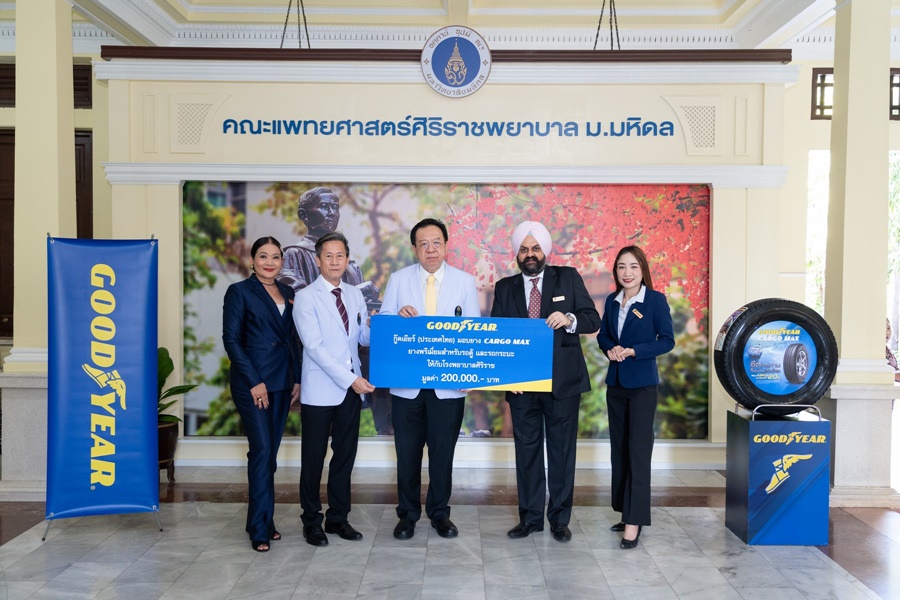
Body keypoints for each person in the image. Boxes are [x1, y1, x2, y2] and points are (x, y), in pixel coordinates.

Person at [490, 221, 601, 543]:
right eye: (524, 249)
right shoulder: (505, 287)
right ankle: (530, 518)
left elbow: (592, 319)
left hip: (563, 384)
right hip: (522, 385)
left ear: (545, 251)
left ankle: (560, 519)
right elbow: (497, 335)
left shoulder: (568, 277)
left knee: (562, 452)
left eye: (535, 248)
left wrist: (569, 319)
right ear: (516, 254)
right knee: (527, 453)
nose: (530, 254)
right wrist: (507, 377)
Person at [379, 217, 480, 540]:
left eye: (436, 242)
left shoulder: (465, 282)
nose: (431, 249)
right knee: (407, 455)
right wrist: (397, 317)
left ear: (446, 245)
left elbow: (473, 331)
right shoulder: (399, 280)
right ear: (414, 249)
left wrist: (469, 373)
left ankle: (439, 514)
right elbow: (383, 324)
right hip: (407, 387)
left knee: (442, 454)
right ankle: (407, 515)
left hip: (449, 387)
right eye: (423, 244)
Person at [278, 186, 391, 435]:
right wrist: (360, 290)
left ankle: (391, 427)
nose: (332, 213)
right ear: (304, 215)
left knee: (387, 356)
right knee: (315, 449)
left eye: (335, 207)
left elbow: (361, 324)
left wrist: (376, 321)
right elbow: (299, 295)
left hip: (353, 355)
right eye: (324, 207)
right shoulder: (294, 255)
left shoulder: (351, 266)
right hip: (315, 356)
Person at [293, 232, 375, 546]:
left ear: (347, 259)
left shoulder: (354, 294)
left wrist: (376, 327)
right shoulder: (306, 297)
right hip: (321, 390)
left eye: (340, 255)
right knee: (313, 459)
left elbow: (360, 339)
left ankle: (338, 518)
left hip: (350, 392)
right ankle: (311, 521)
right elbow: (314, 347)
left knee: (344, 458)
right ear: (318, 260)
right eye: (328, 256)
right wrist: (350, 380)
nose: (335, 261)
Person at [222, 236, 301, 553]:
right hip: (252, 383)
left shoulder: (289, 293)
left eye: (276, 257)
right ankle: (258, 527)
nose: (270, 262)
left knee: (270, 455)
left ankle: (264, 520)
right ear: (252, 260)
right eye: (263, 256)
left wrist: (296, 379)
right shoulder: (239, 291)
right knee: (262, 451)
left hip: (282, 382)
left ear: (282, 261)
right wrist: (254, 381)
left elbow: (293, 340)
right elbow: (231, 340)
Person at [597, 245, 675, 549]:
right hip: (616, 384)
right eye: (621, 267)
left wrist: (633, 351)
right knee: (620, 451)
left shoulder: (655, 301)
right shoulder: (612, 301)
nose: (627, 273)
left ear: (642, 269)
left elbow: (666, 340)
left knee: (639, 451)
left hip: (642, 385)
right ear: (615, 271)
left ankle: (635, 521)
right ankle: (626, 511)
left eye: (633, 266)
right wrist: (611, 348)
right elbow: (604, 335)